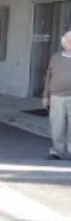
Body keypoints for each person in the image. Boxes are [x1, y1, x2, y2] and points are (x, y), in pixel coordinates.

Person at [43, 31, 71, 159]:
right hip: (56, 97)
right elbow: (48, 77)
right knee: (57, 126)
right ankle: (56, 151)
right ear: (64, 44)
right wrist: (46, 96)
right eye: (69, 42)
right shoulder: (55, 58)